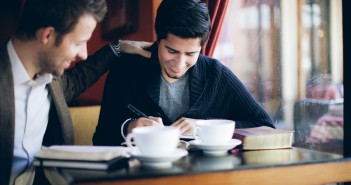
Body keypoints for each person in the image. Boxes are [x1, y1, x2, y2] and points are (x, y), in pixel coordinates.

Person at [0, 0, 151, 184]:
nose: (83, 54)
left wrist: (117, 48)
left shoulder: (52, 81)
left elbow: (79, 78)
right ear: (47, 35)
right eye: (79, 42)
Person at [93, 0, 275, 147]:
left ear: (201, 47)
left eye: (190, 54)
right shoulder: (125, 69)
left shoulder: (216, 74)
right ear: (158, 38)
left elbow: (266, 126)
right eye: (171, 51)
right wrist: (128, 128)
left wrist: (206, 127)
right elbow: (100, 139)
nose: (179, 64)